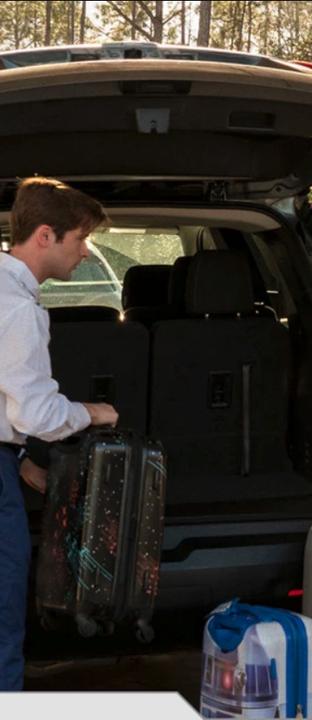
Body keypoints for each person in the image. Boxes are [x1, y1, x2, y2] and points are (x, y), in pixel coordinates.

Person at [0, 177, 115, 691]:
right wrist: (95, 411)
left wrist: (20, 460)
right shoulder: (18, 309)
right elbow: (39, 415)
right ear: (46, 235)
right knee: (2, 622)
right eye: (81, 239)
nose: (87, 254)